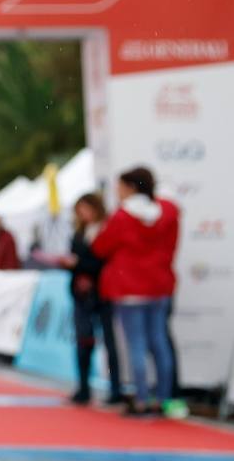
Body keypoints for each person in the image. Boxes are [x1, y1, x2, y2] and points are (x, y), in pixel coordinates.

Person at [92, 166, 185, 418]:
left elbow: (101, 247)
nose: (117, 192)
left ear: (131, 187)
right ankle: (164, 398)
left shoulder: (122, 216)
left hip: (129, 287)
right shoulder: (168, 212)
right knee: (159, 342)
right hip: (159, 285)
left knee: (136, 344)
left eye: (120, 186)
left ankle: (141, 399)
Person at [60, 193, 122, 406]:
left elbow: (102, 261)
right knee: (83, 341)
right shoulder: (79, 232)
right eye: (79, 210)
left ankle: (116, 389)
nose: (82, 214)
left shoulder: (106, 230)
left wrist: (78, 263)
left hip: (103, 292)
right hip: (81, 294)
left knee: (110, 343)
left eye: (85, 209)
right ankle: (84, 387)